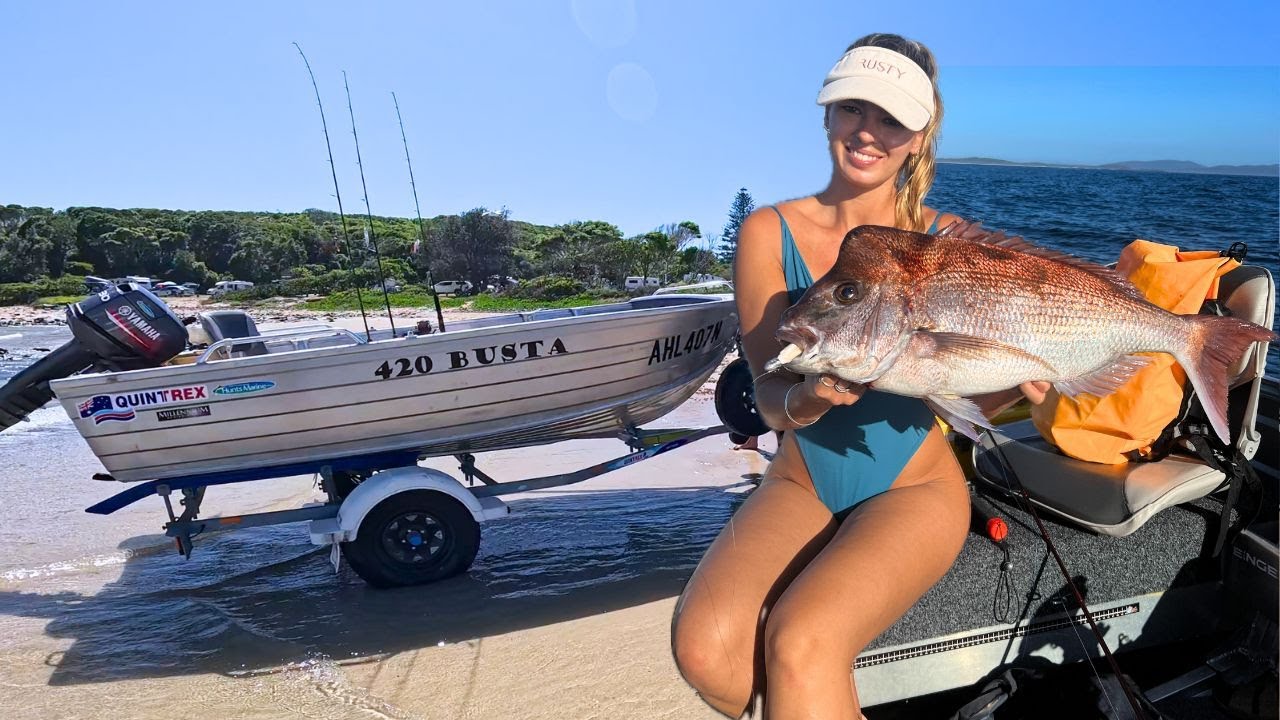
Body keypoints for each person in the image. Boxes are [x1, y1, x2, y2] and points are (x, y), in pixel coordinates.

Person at [670, 33, 1048, 718]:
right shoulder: (767, 232)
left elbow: (969, 394)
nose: (867, 131)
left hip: (915, 484)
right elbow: (768, 395)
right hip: (803, 475)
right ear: (828, 114)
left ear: (918, 135)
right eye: (853, 109)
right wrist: (809, 399)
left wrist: (1027, 379)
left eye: (891, 118)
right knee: (707, 653)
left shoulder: (951, 243)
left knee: (803, 642)